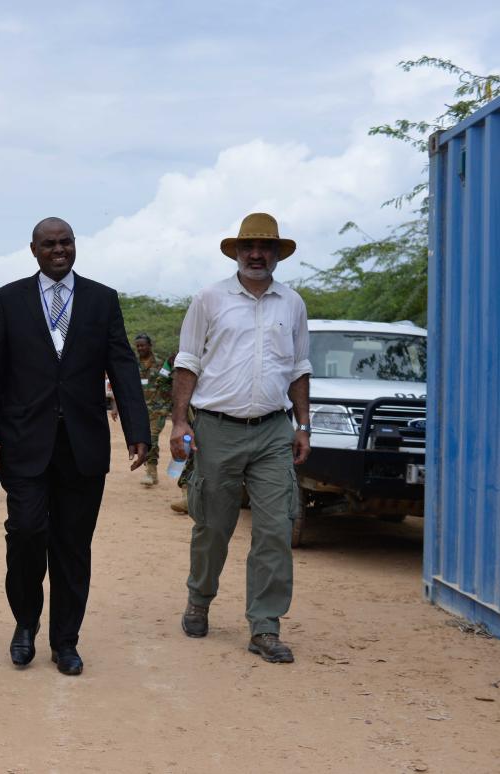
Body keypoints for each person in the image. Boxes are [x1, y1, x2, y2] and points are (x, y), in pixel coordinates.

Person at [0, 216, 149, 676]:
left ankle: (65, 640)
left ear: (76, 246)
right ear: (33, 250)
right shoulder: (8, 300)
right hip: (24, 443)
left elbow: (122, 365)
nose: (59, 250)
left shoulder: (101, 299)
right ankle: (25, 623)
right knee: (27, 533)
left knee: (74, 545)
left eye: (66, 242)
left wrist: (138, 428)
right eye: (50, 244)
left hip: (83, 445)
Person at [169, 212, 311, 664]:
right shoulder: (209, 299)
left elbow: (299, 369)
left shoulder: (292, 303)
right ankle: (200, 598)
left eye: (265, 248)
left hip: (273, 429)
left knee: (274, 529)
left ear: (276, 255)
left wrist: (303, 425)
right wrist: (179, 422)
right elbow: (187, 361)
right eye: (248, 247)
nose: (256, 255)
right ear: (235, 252)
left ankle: (265, 626)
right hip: (216, 428)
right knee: (213, 526)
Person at [133, 333, 173, 487]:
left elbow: (169, 383)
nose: (140, 348)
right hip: (140, 410)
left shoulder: (161, 364)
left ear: (149, 345)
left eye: (143, 345)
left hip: (158, 409)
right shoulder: (134, 364)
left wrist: (170, 404)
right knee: (143, 440)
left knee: (152, 437)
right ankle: (151, 470)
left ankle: (151, 472)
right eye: (138, 346)